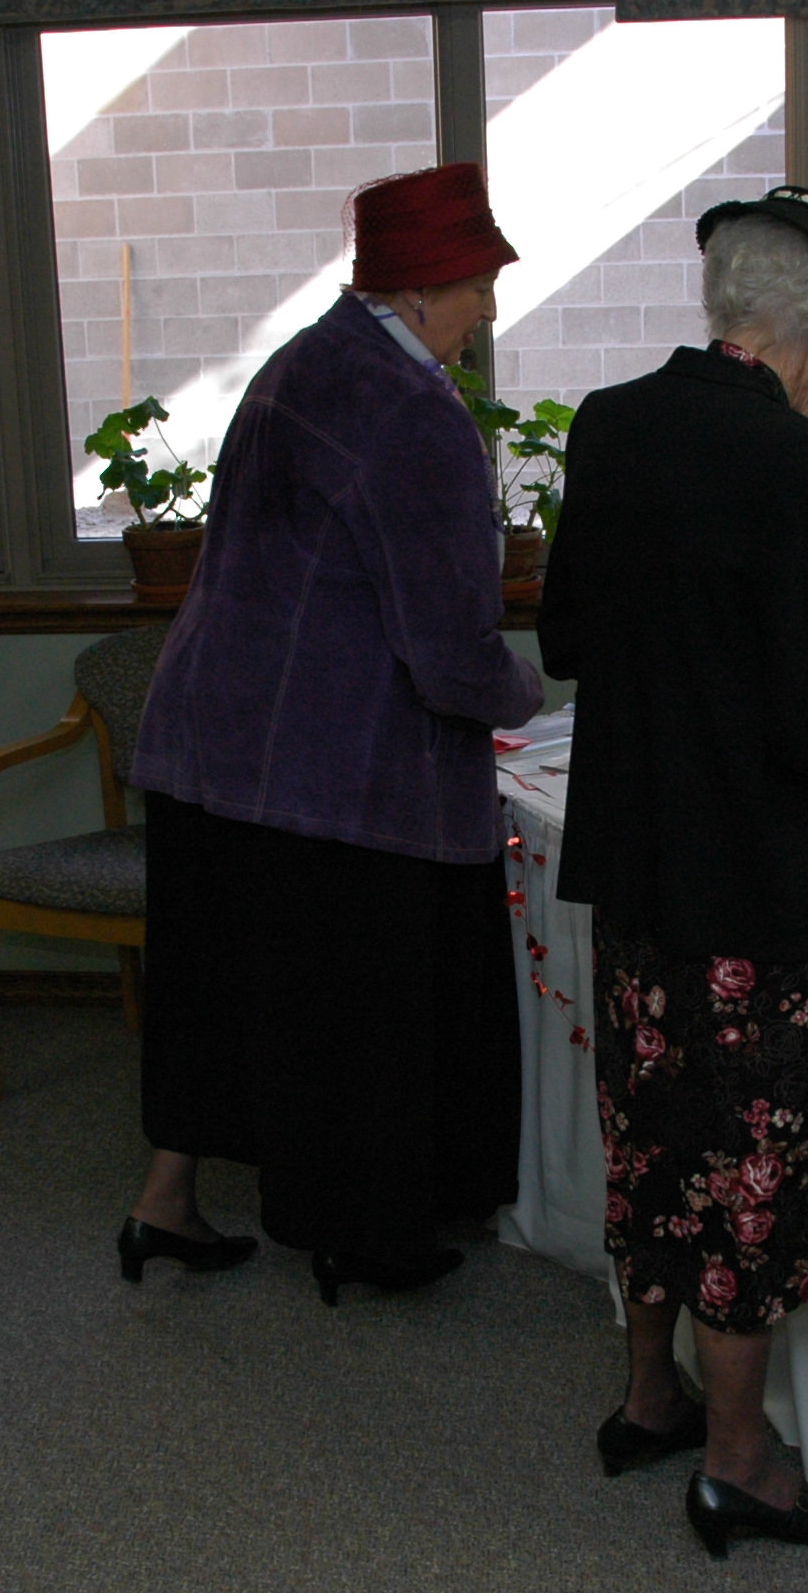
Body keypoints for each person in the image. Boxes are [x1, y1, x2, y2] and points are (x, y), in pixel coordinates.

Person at [536, 184, 808, 1558]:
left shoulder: (610, 422)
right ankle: (741, 1460)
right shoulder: (799, 463)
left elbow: (565, 638)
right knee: (749, 1167)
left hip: (640, 868)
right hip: (760, 886)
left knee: (656, 1141)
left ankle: (651, 1397)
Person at [125, 162, 544, 1302]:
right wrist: (529, 694)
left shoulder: (303, 361)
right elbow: (448, 650)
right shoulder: (411, 410)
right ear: (417, 289)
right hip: (325, 767)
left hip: (210, 741)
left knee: (219, 994)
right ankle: (359, 1238)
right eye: (478, 285)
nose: (487, 311)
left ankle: (164, 1202)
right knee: (357, 1014)